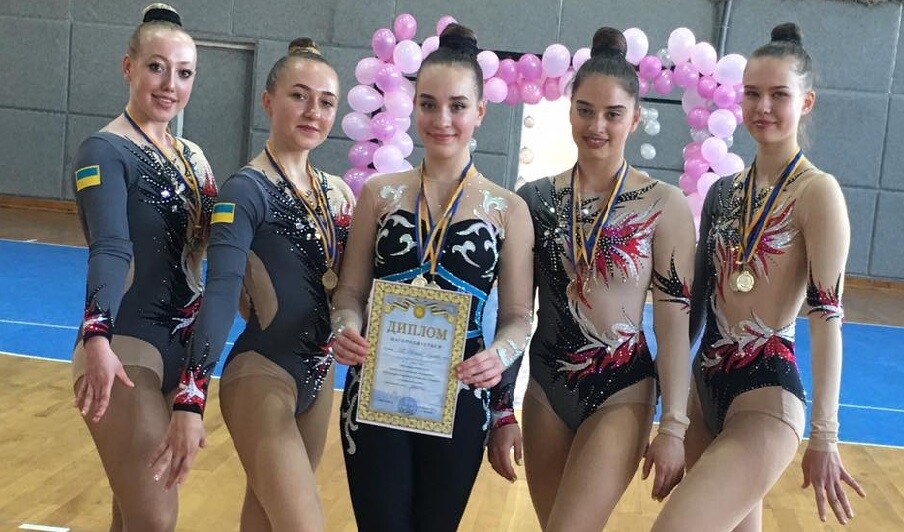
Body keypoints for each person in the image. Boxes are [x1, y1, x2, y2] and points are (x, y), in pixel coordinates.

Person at [652, 22, 865, 531]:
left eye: (778, 95)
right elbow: (694, 311)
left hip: (765, 394)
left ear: (806, 102)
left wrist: (826, 435)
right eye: (752, 93)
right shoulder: (725, 192)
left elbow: (827, 316)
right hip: (704, 393)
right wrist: (663, 405)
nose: (763, 107)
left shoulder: (817, 193)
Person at [329, 23, 535, 532]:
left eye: (457, 106)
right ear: (413, 105)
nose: (442, 119)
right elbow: (350, 292)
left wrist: (499, 356)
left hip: (461, 393)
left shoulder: (508, 209)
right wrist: (345, 326)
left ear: (480, 111)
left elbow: (517, 316)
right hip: (375, 389)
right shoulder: (378, 194)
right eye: (428, 104)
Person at [150, 38, 353, 531]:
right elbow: (222, 297)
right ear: (268, 101)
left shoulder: (339, 194)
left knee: (264, 522)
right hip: (263, 375)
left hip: (319, 377)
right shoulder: (244, 191)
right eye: (298, 96)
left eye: (326, 102)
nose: (313, 111)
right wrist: (191, 398)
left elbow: (352, 289)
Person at [516, 26, 695, 530]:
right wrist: (501, 408)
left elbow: (673, 325)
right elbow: (515, 314)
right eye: (585, 110)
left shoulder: (663, 204)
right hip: (546, 389)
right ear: (570, 110)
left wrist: (674, 426)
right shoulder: (534, 200)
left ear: (635, 118)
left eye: (613, 114)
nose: (597, 125)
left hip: (622, 389)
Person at [71, 3, 216, 530]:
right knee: (155, 517)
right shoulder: (104, 150)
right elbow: (111, 247)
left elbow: (213, 248)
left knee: (132, 516)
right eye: (156, 67)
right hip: (124, 348)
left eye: (184, 73)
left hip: (182, 351)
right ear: (128, 66)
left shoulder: (193, 156)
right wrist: (97, 337)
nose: (170, 85)